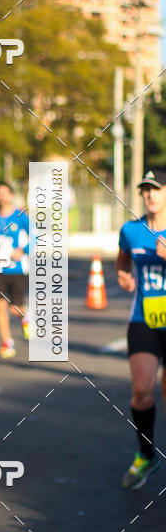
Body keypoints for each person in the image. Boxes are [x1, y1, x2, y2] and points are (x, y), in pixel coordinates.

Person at [117, 169, 166, 489]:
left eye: (156, 189)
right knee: (142, 390)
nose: (150, 195)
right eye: (145, 190)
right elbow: (122, 261)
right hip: (144, 317)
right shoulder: (131, 230)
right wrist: (123, 275)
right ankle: (147, 455)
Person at [0, 182, 30, 359]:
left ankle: (25, 319)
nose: (2, 197)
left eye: (5, 193)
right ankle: (7, 342)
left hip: (16, 269)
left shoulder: (21, 216)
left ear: (11, 195)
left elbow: (36, 236)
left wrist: (23, 251)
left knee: (14, 308)